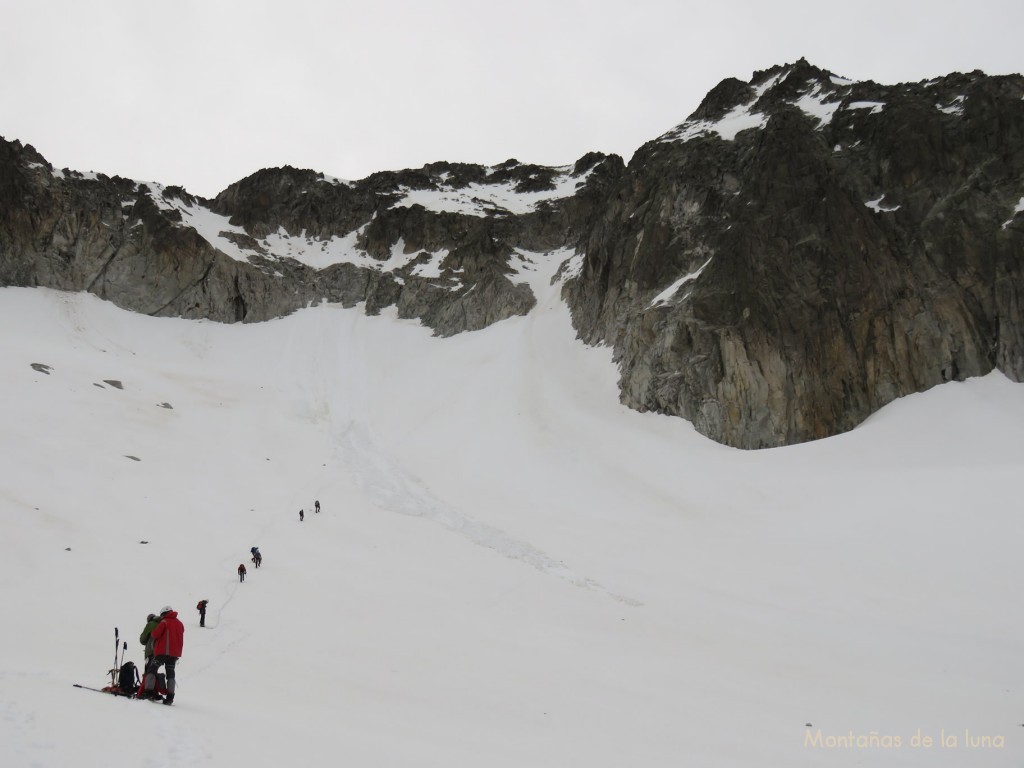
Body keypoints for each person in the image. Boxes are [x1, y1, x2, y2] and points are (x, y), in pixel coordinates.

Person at [141, 606, 183, 705]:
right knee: (170, 673)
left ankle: (148, 692)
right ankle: (170, 697)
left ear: (164, 613)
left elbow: (155, 634)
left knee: (152, 669)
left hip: (163, 652)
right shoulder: (180, 623)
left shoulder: (164, 622)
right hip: (175, 653)